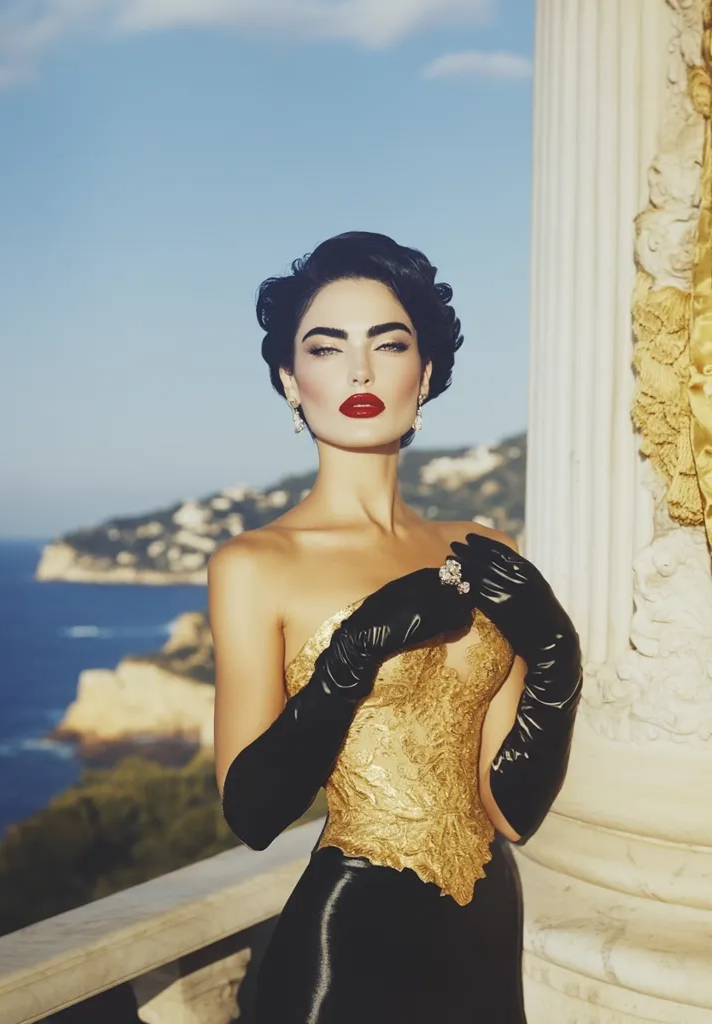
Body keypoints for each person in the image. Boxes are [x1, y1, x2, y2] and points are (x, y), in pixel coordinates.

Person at [207, 231, 582, 1023]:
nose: (360, 370)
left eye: (389, 342)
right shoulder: (254, 563)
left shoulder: (485, 548)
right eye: (326, 346)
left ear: (428, 371)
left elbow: (512, 811)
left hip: (484, 927)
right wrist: (355, 650)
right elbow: (253, 813)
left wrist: (556, 661)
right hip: (347, 947)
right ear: (289, 380)